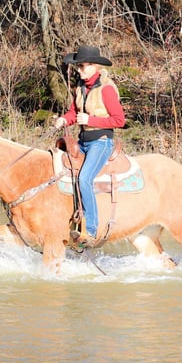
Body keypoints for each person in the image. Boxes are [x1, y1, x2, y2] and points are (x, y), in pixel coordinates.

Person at [54, 45, 125, 248]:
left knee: (85, 178)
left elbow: (119, 120)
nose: (79, 70)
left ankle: (91, 230)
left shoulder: (107, 88)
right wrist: (64, 120)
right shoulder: (80, 87)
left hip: (101, 142)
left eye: (83, 66)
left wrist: (90, 119)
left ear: (94, 66)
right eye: (78, 67)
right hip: (83, 141)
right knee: (63, 174)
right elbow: (72, 112)